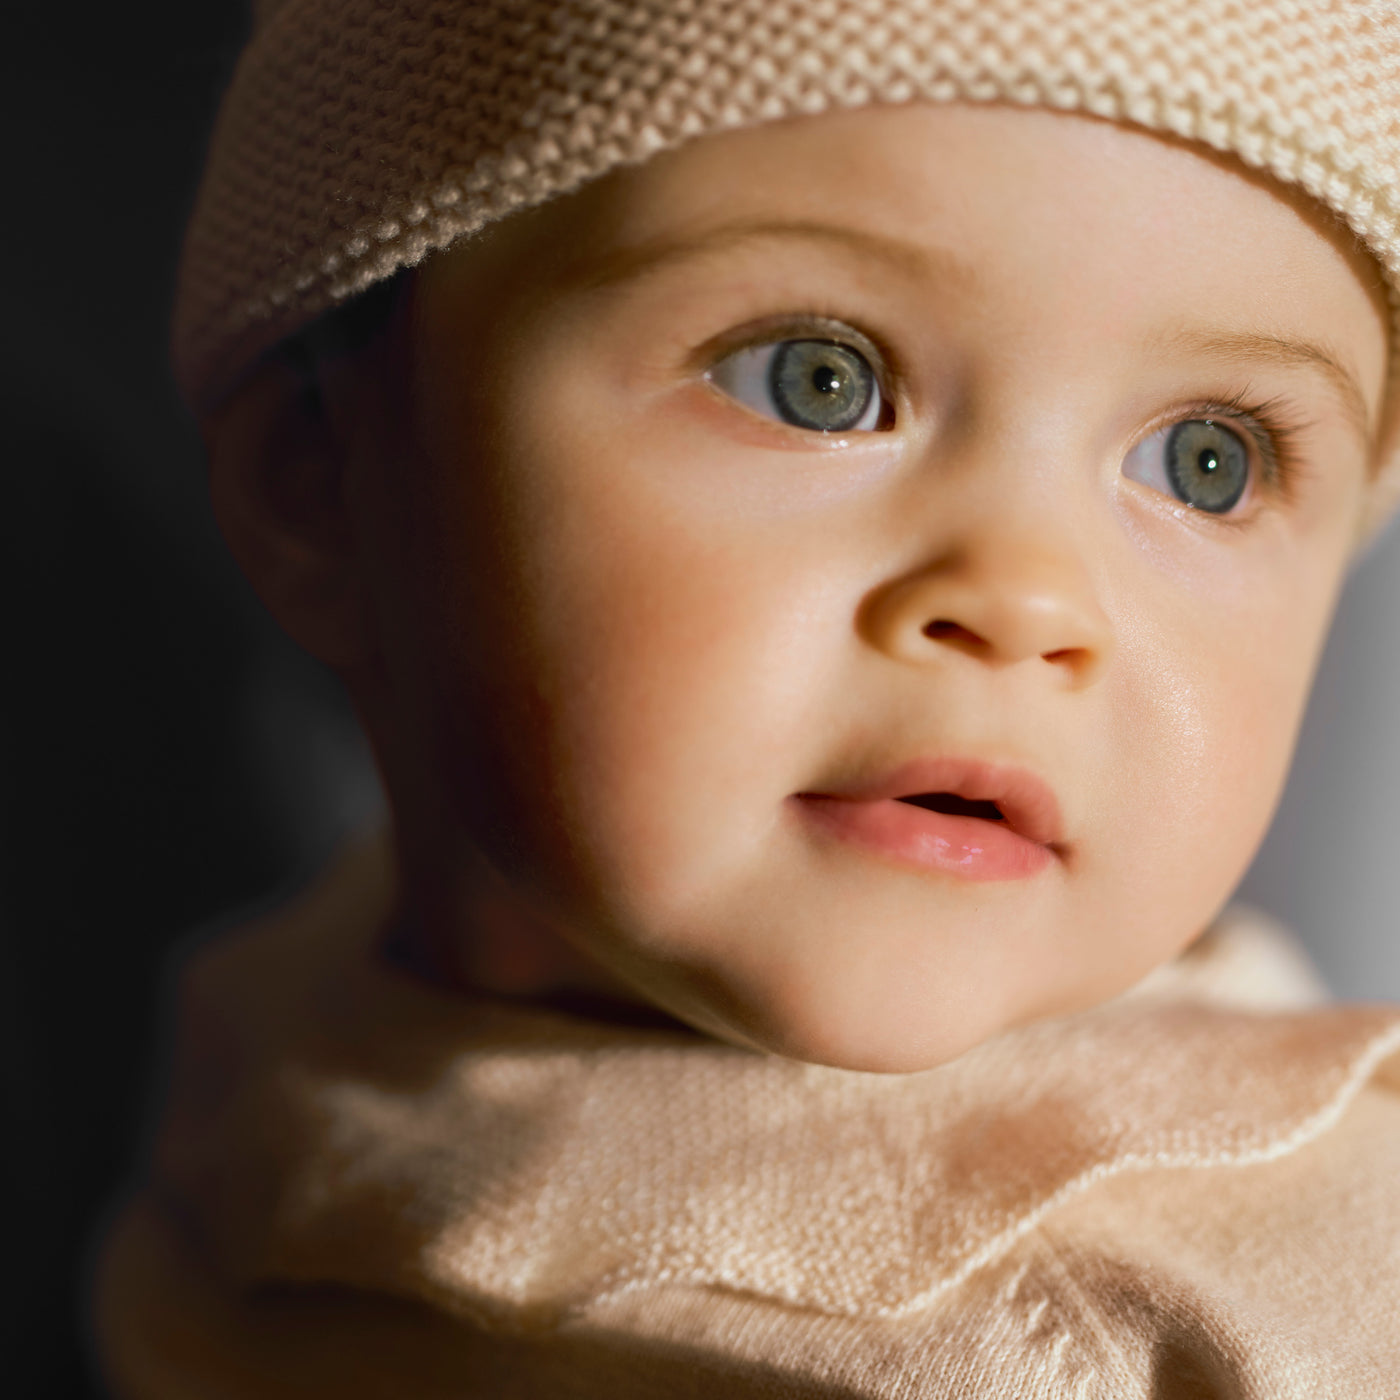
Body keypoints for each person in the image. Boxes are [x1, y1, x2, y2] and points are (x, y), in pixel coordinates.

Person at [94, 1, 1400, 1393]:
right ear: (323, 483)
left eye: (1207, 462)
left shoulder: (1283, 1305)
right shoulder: (274, 1018)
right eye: (817, 381)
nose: (1028, 601)